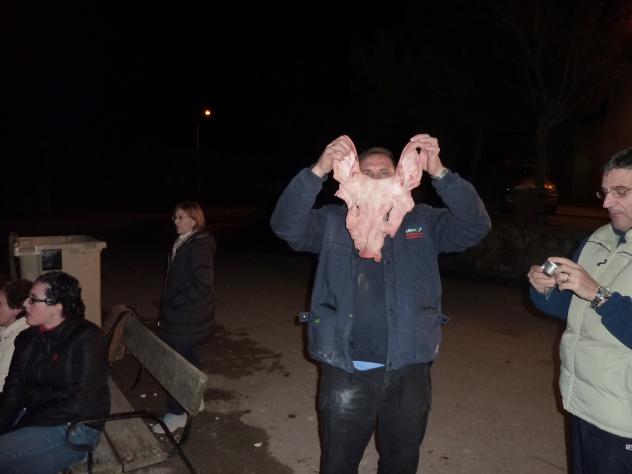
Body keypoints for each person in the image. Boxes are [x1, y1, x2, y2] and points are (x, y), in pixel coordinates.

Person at [270, 133, 491, 473]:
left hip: (408, 369)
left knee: (400, 462)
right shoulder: (332, 221)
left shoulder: (423, 221)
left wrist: (440, 173)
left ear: (401, 176)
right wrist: (318, 170)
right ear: (353, 176)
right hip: (345, 369)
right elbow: (286, 225)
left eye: (384, 173)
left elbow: (475, 226)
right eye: (367, 173)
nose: (375, 180)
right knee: (339, 463)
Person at [528, 146, 632, 474]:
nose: (606, 203)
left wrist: (598, 295)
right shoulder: (598, 239)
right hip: (582, 401)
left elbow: (597, 300)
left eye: (620, 192)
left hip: (623, 418)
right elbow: (572, 308)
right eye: (605, 192)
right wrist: (544, 290)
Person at [0, 271, 110, 474]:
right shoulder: (26, 339)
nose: (25, 304)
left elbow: (80, 402)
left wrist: (23, 425)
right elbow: (13, 392)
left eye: (33, 299)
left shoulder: (88, 338)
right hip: (35, 414)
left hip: (76, 427)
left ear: (57, 307)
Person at [153, 200, 215, 434]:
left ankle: (177, 413)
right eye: (175, 217)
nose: (176, 222)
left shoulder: (197, 246)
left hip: (186, 317)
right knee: (188, 357)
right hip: (182, 317)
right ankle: (195, 398)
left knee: (176, 365)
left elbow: (203, 287)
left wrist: (173, 301)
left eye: (181, 217)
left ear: (194, 220)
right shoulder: (185, 242)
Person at [0, 279, 32, 392]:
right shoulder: (5, 328)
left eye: (0, 304)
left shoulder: (21, 336)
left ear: (17, 309)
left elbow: (2, 384)